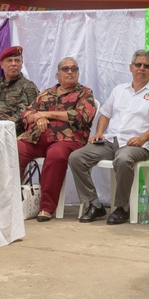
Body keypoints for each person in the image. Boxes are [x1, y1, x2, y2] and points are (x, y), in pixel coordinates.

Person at [68, 49, 149, 225]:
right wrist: (99, 133)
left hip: (135, 145)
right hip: (111, 140)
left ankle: (122, 207)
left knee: (122, 160)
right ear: (131, 67)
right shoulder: (119, 90)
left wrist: (142, 138)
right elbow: (105, 114)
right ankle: (94, 204)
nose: (142, 68)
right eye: (138, 65)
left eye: (146, 66)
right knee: (77, 157)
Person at [17, 57, 97, 222]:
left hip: (67, 139)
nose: (70, 72)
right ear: (57, 74)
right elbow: (25, 115)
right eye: (65, 69)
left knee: (56, 155)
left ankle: (46, 207)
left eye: (74, 69)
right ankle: (10, 201)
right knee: (15, 149)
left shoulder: (84, 93)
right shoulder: (46, 93)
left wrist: (46, 114)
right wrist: (37, 119)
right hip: (37, 137)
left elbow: (82, 116)